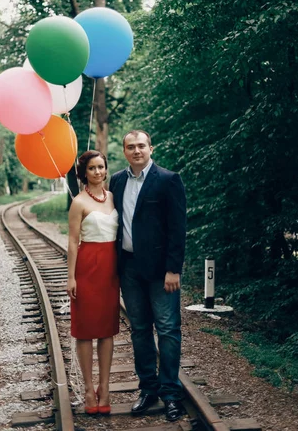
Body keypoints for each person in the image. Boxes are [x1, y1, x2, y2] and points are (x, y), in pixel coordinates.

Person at [109, 130, 187, 422]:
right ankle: (148, 389)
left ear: (150, 148)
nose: (137, 150)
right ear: (125, 151)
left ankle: (170, 394)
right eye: (131, 147)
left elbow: (178, 228)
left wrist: (173, 269)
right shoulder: (117, 180)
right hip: (129, 268)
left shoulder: (168, 180)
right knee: (140, 330)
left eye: (141, 145)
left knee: (167, 330)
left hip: (160, 271)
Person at [67, 150, 119, 415]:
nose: (98, 172)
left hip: (111, 270)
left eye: (101, 167)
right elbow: (73, 243)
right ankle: (88, 389)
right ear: (84, 173)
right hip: (87, 268)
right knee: (85, 329)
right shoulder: (78, 202)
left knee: (107, 329)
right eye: (92, 168)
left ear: (106, 169)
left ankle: (105, 387)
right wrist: (71, 277)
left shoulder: (112, 197)